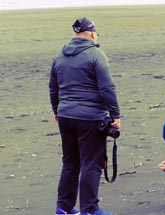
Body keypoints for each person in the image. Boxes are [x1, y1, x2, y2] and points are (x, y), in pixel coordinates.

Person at [49, 17, 120, 215]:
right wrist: (115, 114)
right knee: (91, 164)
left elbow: (53, 88)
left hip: (65, 115)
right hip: (90, 118)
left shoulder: (60, 55)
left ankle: (63, 208)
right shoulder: (96, 54)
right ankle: (90, 209)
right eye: (95, 33)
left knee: (70, 163)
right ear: (91, 33)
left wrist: (57, 110)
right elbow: (107, 87)